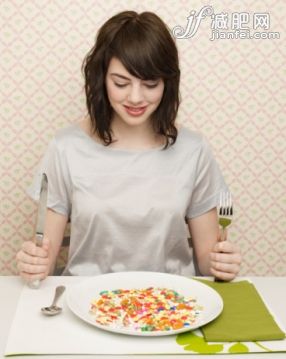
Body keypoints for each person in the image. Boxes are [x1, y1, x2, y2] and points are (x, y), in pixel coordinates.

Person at [16, 10, 241, 282]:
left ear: (168, 84)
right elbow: (46, 256)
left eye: (150, 84)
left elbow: (207, 264)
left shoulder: (194, 150)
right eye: (121, 83)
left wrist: (222, 263)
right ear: (101, 78)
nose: (136, 97)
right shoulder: (65, 148)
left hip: (171, 306)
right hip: (87, 301)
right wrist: (35, 263)